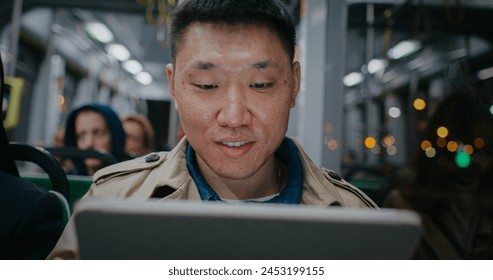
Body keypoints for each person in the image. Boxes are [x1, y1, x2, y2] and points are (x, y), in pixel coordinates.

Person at [48, 0, 377, 259]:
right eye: (207, 85)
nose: (234, 117)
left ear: (293, 85)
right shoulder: (112, 204)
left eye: (260, 84)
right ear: (174, 86)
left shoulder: (357, 219)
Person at [383, 88, 493, 259]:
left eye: (487, 149)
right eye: (471, 145)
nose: (480, 158)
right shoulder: (403, 203)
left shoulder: (484, 202)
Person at [63, 103, 126, 176]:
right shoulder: (66, 182)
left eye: (98, 134)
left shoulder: (132, 183)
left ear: (115, 137)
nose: (88, 143)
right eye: (81, 136)